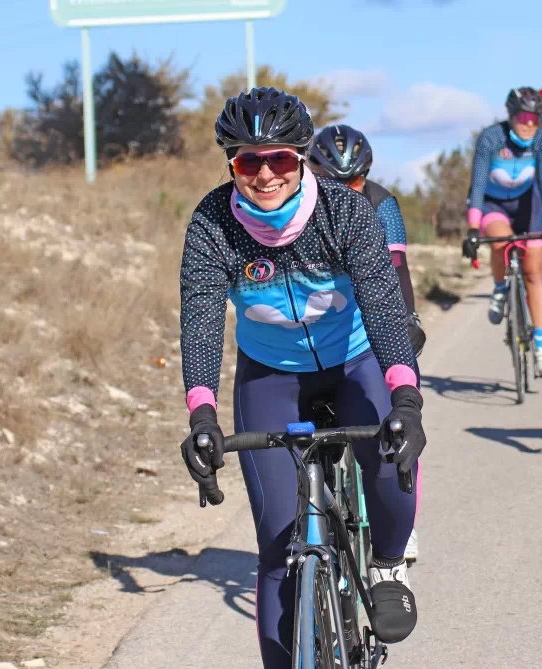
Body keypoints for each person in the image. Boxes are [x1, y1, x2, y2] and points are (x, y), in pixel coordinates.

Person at [178, 87, 426, 668]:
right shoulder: (213, 223)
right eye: (248, 160)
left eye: (281, 159)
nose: (265, 174)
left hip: (354, 362)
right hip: (271, 374)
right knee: (276, 547)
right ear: (231, 165)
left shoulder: (345, 212)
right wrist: (202, 415)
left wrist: (406, 401)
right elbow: (200, 321)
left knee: (391, 465)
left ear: (300, 159)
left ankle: (387, 562)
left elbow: (385, 307)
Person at [307, 123, 425, 563]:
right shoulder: (300, 210)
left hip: (373, 320)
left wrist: (407, 320)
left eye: (355, 182)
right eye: (335, 183)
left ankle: (401, 519)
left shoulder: (381, 203)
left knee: (400, 411)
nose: (347, 192)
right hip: (321, 332)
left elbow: (397, 269)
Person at [464, 87, 542, 378]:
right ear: (512, 115)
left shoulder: (541, 141)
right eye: (524, 116)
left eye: (536, 117)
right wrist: (471, 229)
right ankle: (500, 287)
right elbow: (478, 185)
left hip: (528, 204)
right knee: (501, 240)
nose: (530, 123)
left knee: (534, 270)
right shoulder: (492, 138)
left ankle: (541, 349)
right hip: (494, 203)